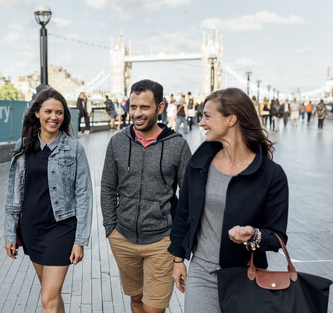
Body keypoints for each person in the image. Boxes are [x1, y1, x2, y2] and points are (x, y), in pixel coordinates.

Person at [168, 88, 289, 313]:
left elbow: (277, 236)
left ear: (231, 119)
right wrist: (177, 260)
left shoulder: (272, 175)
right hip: (201, 274)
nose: (201, 122)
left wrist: (253, 235)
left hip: (247, 277)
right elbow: (183, 214)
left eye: (207, 116)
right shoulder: (199, 163)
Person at [101, 79, 191, 313]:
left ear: (160, 108)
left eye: (144, 107)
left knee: (153, 308)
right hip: (123, 237)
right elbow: (108, 187)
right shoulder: (117, 142)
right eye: (133, 107)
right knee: (137, 300)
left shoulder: (178, 146)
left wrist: (178, 248)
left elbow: (189, 197)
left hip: (162, 241)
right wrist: (111, 229)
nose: (137, 113)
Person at [4, 88, 93, 312]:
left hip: (61, 229)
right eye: (48, 111)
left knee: (47, 299)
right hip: (32, 229)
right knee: (50, 295)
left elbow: (84, 195)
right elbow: (14, 192)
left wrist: (80, 240)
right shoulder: (22, 146)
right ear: (37, 113)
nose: (54, 117)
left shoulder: (74, 149)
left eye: (59, 112)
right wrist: (9, 233)